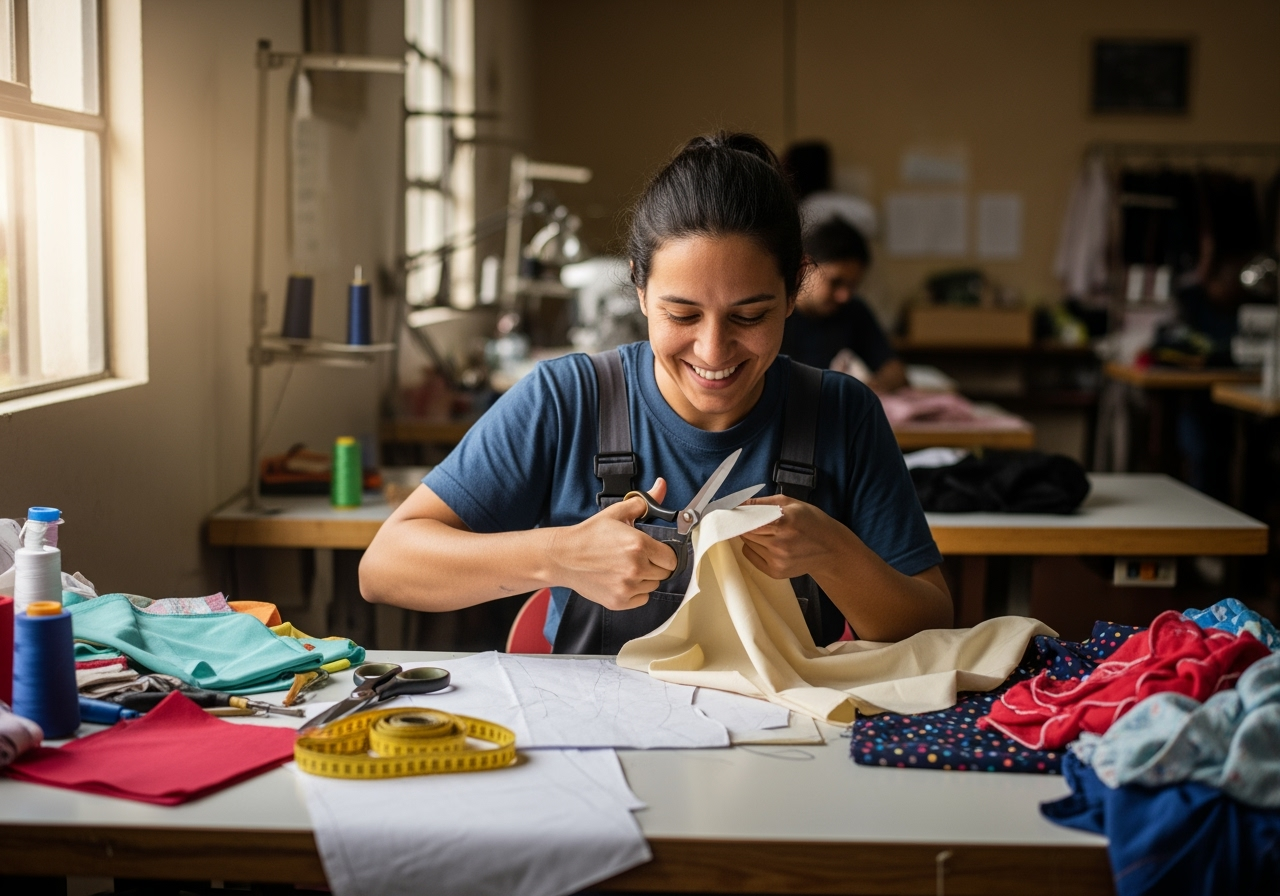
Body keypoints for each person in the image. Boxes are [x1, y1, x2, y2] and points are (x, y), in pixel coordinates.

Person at [360, 132, 951, 653]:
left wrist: (833, 554)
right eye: (682, 314)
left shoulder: (843, 413)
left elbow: (930, 628)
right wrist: (558, 557)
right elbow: (385, 568)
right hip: (597, 735)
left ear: (795, 289)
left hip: (786, 733)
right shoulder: (564, 401)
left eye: (749, 315)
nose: (713, 351)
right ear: (639, 289)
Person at [782, 218, 908, 393]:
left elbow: (894, 370)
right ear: (804, 268)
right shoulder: (775, 313)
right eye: (835, 282)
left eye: (852, 286)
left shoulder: (854, 311)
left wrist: (872, 386)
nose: (844, 296)